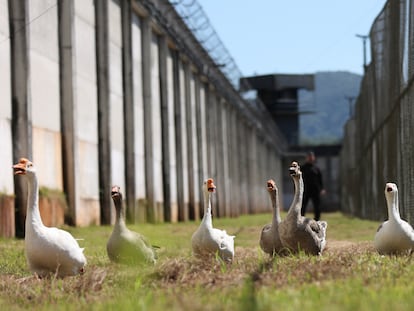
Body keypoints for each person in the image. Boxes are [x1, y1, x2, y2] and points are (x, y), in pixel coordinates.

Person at [301, 151, 325, 221]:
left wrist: (322, 189)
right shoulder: (303, 168)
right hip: (306, 190)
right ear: (306, 158)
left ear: (314, 158)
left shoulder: (317, 169)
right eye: (309, 157)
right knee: (303, 206)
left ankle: (317, 220)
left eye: (312, 157)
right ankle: (301, 220)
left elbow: (320, 180)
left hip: (315, 190)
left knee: (317, 206)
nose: (310, 158)